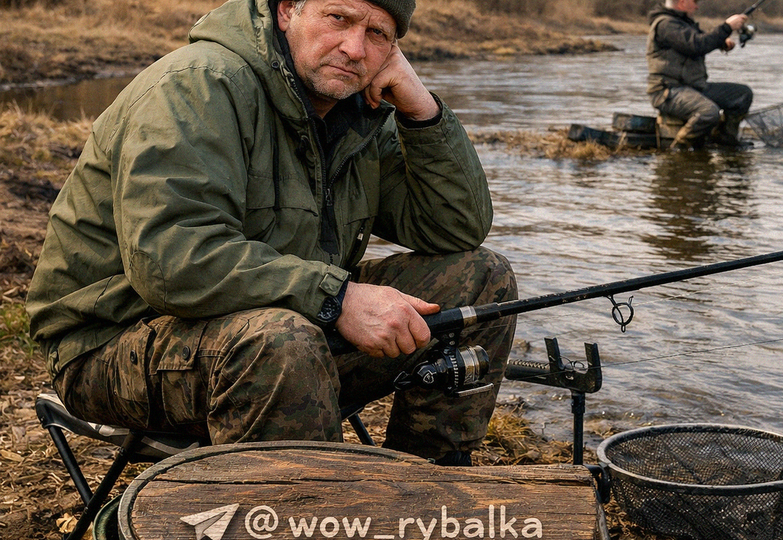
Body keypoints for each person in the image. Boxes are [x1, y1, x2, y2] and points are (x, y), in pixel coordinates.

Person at [25, 0, 517, 467]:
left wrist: (421, 110)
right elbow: (170, 261)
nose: (353, 48)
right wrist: (339, 298)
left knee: (479, 276)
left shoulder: (358, 113)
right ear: (286, 11)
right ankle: (306, 513)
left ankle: (426, 492)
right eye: (338, 18)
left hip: (280, 322)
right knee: (280, 343)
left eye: (377, 34)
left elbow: (455, 227)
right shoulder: (197, 85)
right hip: (113, 344)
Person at [646, 0, 754, 150]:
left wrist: (722, 43)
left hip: (695, 88)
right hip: (668, 91)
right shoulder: (666, 24)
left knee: (742, 95)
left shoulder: (683, 23)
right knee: (708, 112)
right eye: (694, 2)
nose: (697, 6)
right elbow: (696, 45)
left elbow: (703, 39)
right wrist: (727, 27)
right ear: (682, 3)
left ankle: (724, 138)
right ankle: (679, 149)